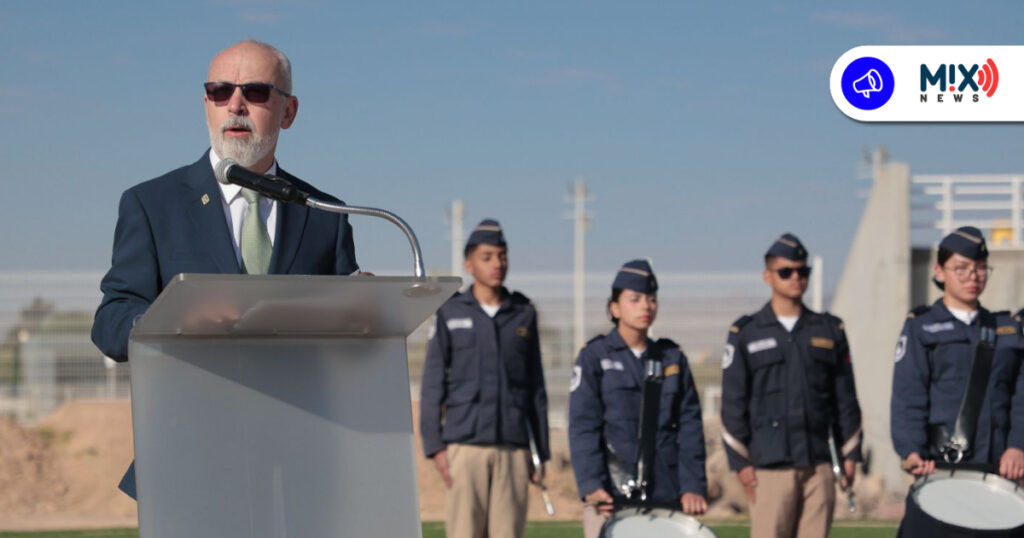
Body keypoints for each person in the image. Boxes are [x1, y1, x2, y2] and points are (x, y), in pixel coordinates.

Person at [91, 40, 358, 497]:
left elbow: (345, 349)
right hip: (189, 462)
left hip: (300, 467)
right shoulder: (152, 205)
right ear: (206, 105)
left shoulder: (324, 213)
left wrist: (363, 315)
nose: (235, 104)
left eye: (255, 92)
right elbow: (111, 321)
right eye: (219, 91)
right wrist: (168, 322)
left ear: (288, 111)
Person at [720, 233, 862, 538]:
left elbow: (845, 398)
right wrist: (740, 463)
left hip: (818, 463)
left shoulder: (828, 329)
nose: (795, 277)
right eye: (786, 272)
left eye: (802, 271)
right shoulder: (746, 332)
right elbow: (732, 403)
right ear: (768, 276)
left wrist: (850, 454)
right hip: (770, 467)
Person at [419, 219, 549, 538]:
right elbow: (432, 384)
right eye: (488, 257)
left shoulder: (524, 313)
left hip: (513, 447)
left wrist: (540, 451)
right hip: (465, 447)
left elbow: (536, 388)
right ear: (469, 264)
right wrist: (435, 447)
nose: (497, 264)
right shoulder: (449, 312)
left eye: (502, 256)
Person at [891, 227, 1024, 534]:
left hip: (998, 472)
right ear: (939, 272)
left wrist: (1018, 446)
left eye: (980, 268)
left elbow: (1020, 396)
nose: (972, 276)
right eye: (961, 268)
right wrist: (911, 450)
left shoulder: (1008, 330)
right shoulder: (921, 327)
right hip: (940, 468)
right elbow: (908, 395)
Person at [569, 259, 707, 538]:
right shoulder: (595, 357)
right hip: (609, 496)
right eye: (635, 299)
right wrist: (592, 485)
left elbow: (690, 427)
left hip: (665, 492)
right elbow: (583, 426)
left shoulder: (671, 359)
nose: (645, 306)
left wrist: (692, 485)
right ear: (614, 308)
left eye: (651, 299)